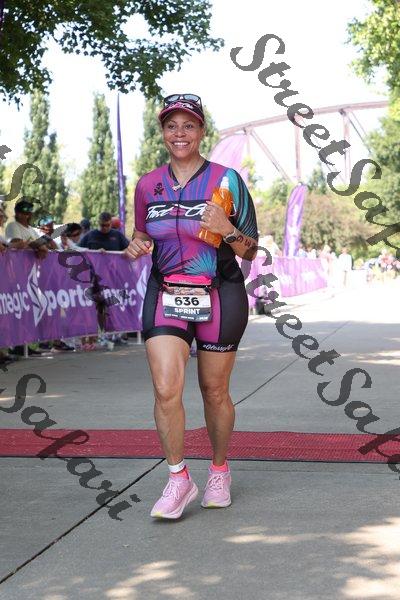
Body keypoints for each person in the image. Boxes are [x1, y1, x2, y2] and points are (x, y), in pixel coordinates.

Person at [124, 93, 258, 520]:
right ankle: (178, 478)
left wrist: (227, 229)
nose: (179, 133)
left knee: (214, 391)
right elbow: (142, 235)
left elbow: (251, 250)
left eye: (188, 125)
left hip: (220, 293)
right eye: (171, 126)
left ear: (201, 131)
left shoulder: (227, 180)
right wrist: (136, 245)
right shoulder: (147, 184)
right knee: (165, 387)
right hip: (165, 292)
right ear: (163, 132)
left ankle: (219, 470)